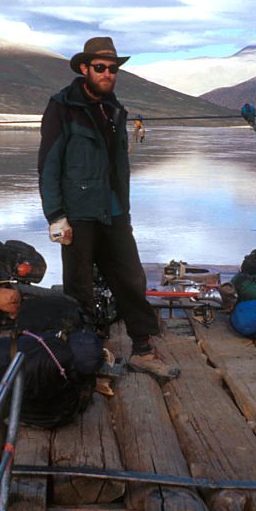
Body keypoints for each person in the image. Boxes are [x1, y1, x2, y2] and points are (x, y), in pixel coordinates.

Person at [37, 37, 179, 382]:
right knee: (80, 287)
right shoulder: (62, 107)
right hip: (78, 214)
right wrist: (55, 215)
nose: (107, 74)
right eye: (100, 68)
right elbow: (48, 164)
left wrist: (125, 213)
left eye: (112, 69)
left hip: (114, 213)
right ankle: (85, 355)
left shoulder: (114, 109)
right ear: (84, 69)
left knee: (132, 279)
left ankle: (143, 351)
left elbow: (119, 169)